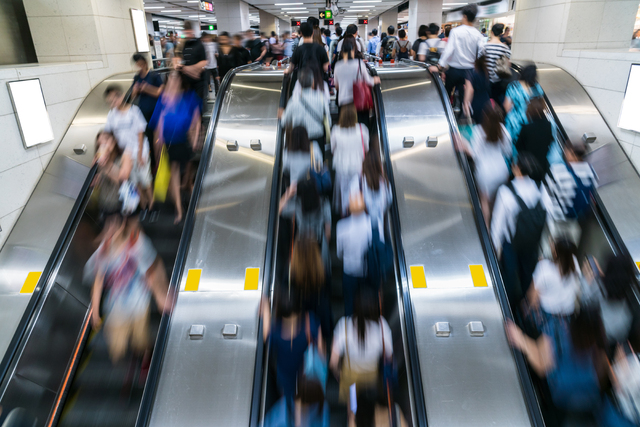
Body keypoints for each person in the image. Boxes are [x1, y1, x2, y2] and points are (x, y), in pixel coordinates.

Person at [86, 212, 167, 363]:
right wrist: (95, 311)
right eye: (108, 226)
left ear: (122, 225)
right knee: (116, 350)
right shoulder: (102, 253)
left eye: (114, 225)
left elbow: (151, 270)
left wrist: (159, 296)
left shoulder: (136, 243)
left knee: (140, 341)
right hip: (116, 306)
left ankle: (146, 357)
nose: (111, 230)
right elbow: (97, 282)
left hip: (139, 302)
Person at [506, 307, 609, 415]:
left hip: (549, 397)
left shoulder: (559, 330)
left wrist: (520, 338)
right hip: (565, 409)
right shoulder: (599, 360)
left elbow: (541, 366)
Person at [491, 153, 553, 313]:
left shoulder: (506, 191)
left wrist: (495, 247)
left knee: (510, 276)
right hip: (533, 243)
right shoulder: (542, 188)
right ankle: (528, 309)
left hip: (511, 244)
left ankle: (508, 309)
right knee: (529, 276)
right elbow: (549, 217)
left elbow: (498, 223)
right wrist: (544, 248)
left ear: (517, 169)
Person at [150, 71, 201, 224]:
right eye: (170, 80)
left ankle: (195, 204)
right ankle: (179, 209)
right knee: (174, 173)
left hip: (186, 141)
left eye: (175, 80)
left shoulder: (189, 96)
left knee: (188, 177)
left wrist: (195, 137)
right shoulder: (163, 99)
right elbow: (158, 125)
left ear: (180, 81)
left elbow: (196, 118)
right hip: (171, 143)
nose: (172, 83)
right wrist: (157, 149)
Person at [330, 288, 393, 410]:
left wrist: (339, 375)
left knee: (352, 410)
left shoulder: (344, 325)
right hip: (371, 380)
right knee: (369, 410)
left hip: (351, 379)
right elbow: (389, 358)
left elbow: (333, 362)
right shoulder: (382, 325)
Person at [260, 288, 323, 402]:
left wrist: (265, 309)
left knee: (290, 400)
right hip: (306, 376)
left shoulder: (276, 332)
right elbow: (321, 353)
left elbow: (266, 337)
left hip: (285, 377)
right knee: (307, 399)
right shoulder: (311, 321)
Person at [103, 85, 153, 212]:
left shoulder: (133, 111)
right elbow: (108, 135)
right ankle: (143, 206)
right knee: (135, 182)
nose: (113, 103)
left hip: (140, 150)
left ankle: (152, 206)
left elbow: (140, 133)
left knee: (145, 180)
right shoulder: (111, 115)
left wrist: (141, 154)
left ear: (120, 96)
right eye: (110, 101)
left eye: (115, 99)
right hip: (126, 155)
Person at [462, 103, 512, 224]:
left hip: (485, 173)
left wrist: (464, 146)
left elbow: (475, 154)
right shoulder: (504, 131)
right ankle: (496, 227)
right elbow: (508, 152)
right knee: (495, 202)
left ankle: (487, 233)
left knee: (484, 202)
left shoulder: (479, 131)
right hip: (501, 171)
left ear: (485, 115)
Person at [429, 4, 484, 104]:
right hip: (469, 72)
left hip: (454, 70)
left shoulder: (456, 31)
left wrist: (439, 66)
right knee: (465, 99)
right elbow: (481, 54)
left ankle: (446, 114)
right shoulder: (478, 35)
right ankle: (461, 117)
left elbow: (449, 50)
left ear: (465, 17)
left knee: (446, 95)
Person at [526, 237, 581, 319]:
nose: (551, 244)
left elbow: (532, 298)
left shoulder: (544, 268)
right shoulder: (574, 263)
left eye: (554, 244)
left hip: (547, 314)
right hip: (568, 315)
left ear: (555, 253)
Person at [546, 141, 598, 223]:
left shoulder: (559, 170)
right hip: (579, 217)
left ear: (572, 154)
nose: (565, 154)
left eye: (567, 152)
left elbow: (548, 194)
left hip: (557, 216)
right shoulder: (590, 170)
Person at [331, 104, 370, 214]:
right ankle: (357, 212)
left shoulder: (335, 130)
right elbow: (366, 149)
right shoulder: (363, 129)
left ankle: (344, 213)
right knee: (357, 190)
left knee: (343, 190)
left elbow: (333, 150)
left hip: (341, 165)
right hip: (358, 165)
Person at [131, 53, 164, 169]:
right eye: (137, 63)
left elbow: (160, 92)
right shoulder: (137, 77)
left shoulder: (154, 75)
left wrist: (147, 89)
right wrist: (135, 90)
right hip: (143, 111)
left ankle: (159, 163)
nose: (139, 65)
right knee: (148, 138)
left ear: (145, 62)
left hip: (156, 111)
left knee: (158, 139)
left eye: (140, 62)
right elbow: (132, 96)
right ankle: (152, 164)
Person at [282, 68, 331, 143]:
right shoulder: (321, 99)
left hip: (299, 139)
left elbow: (284, 122)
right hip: (317, 137)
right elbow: (328, 120)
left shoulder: (293, 100)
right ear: (312, 82)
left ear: (299, 83)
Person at [333, 37, 379, 109]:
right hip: (358, 102)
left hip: (343, 103)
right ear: (353, 50)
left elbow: (337, 86)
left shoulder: (337, 65)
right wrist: (376, 79)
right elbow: (368, 81)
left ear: (342, 51)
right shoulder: (359, 63)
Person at [515, 98, 554, 181]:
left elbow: (518, 147)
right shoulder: (548, 126)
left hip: (528, 168)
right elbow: (550, 142)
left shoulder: (526, 129)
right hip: (542, 167)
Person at [94, 132, 129, 222]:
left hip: (119, 207)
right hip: (104, 206)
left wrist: (107, 165)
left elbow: (122, 182)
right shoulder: (97, 162)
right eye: (100, 142)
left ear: (113, 141)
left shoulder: (123, 158)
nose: (103, 144)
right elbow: (96, 185)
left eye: (105, 140)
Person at [504, 64, 544, 142]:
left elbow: (507, 107)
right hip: (530, 122)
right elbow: (541, 106)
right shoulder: (537, 88)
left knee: (511, 146)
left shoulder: (513, 86)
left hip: (513, 122)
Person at [174, 21, 208, 113]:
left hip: (199, 82)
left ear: (193, 31)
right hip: (187, 81)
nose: (188, 35)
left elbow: (204, 62)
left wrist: (188, 69)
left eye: (189, 33)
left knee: (198, 107)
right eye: (186, 33)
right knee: (188, 106)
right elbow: (178, 59)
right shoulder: (184, 45)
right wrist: (183, 67)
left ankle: (200, 125)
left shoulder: (199, 44)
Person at [483, 23, 511, 104]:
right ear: (500, 33)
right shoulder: (505, 48)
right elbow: (508, 65)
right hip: (499, 81)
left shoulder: (485, 46)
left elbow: (480, 63)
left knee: (486, 104)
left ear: (491, 32)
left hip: (485, 80)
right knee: (496, 103)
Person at [463, 54, 491, 124]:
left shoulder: (470, 71)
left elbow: (470, 90)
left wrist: (466, 104)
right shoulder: (486, 70)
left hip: (475, 103)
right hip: (486, 102)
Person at [202, 32, 218, 96]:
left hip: (214, 65)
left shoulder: (214, 44)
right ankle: (208, 91)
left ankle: (217, 92)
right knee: (207, 80)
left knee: (216, 80)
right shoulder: (203, 45)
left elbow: (217, 53)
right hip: (207, 66)